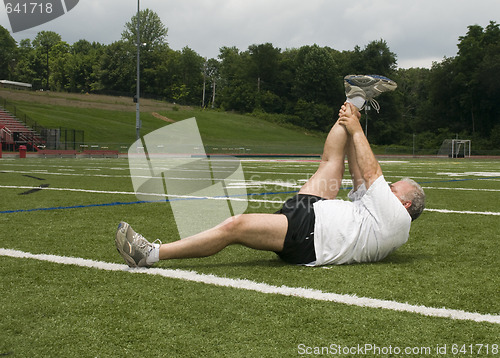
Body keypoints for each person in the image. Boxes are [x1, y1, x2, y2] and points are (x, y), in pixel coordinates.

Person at [115, 75, 425, 268]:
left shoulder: (397, 221)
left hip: (312, 237)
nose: (389, 187)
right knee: (331, 164)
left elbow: (372, 174)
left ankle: (151, 254)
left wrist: (356, 128)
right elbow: (360, 173)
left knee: (234, 226)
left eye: (395, 188)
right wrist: (351, 117)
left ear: (406, 204)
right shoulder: (380, 213)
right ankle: (356, 94)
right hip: (315, 212)